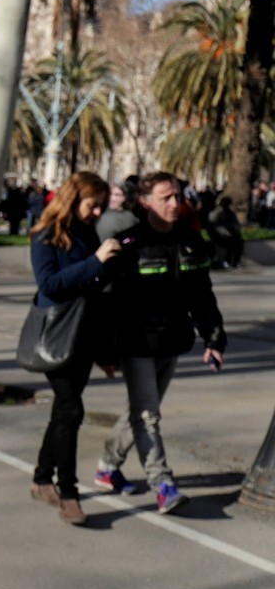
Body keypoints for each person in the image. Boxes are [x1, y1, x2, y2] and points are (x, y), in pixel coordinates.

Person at [95, 171, 227, 514]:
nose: (174, 203)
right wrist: (106, 350)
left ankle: (108, 466)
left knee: (141, 411)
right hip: (135, 343)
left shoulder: (190, 241)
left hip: (172, 342)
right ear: (145, 202)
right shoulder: (128, 244)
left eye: (177, 196)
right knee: (148, 415)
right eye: (166, 197)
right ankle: (163, 484)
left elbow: (202, 296)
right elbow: (109, 301)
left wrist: (213, 338)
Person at [26, 172, 123, 526]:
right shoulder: (45, 236)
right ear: (72, 199)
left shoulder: (86, 234)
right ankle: (68, 493)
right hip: (54, 336)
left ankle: (40, 479)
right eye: (91, 205)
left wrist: (110, 265)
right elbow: (50, 284)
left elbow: (91, 289)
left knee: (64, 413)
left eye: (101, 206)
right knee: (71, 410)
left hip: (83, 336)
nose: (97, 212)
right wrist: (95, 261)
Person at [206, 195, 244, 269]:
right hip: (218, 235)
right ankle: (227, 261)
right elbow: (214, 224)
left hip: (229, 234)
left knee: (239, 241)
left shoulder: (230, 212)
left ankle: (236, 261)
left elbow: (235, 223)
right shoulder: (218, 212)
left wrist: (236, 230)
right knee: (230, 242)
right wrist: (226, 232)